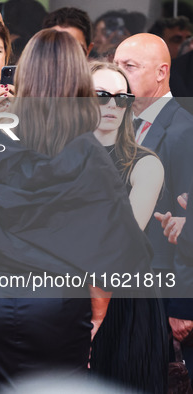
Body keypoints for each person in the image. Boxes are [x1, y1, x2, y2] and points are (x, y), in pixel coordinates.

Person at [0, 29, 153, 392]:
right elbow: (113, 253)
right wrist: (94, 317)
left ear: (23, 75)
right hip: (57, 305)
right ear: (79, 83)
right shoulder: (89, 155)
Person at [88, 61, 168, 393]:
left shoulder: (144, 164)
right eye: (102, 95)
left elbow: (121, 243)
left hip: (125, 304)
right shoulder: (57, 158)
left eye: (122, 98)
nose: (112, 105)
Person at [114, 35, 193, 371]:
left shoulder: (181, 131)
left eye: (129, 67)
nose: (119, 76)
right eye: (115, 66)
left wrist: (183, 305)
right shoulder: (121, 123)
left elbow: (186, 219)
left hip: (161, 288)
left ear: (162, 72)